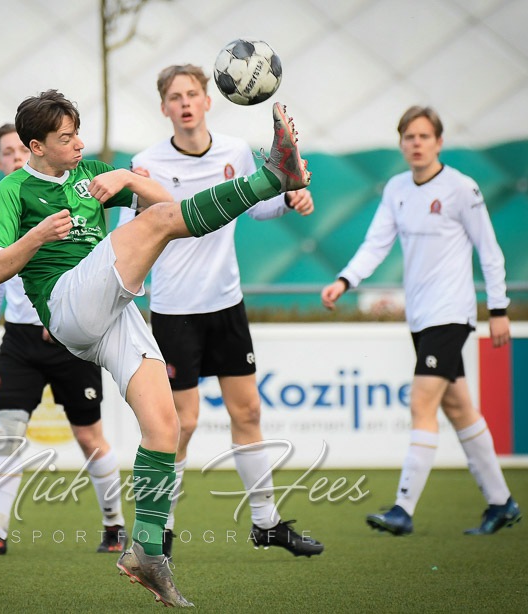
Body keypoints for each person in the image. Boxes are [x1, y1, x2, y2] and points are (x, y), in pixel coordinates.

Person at [0, 89, 310, 607]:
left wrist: (129, 179)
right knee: (155, 228)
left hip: (111, 309)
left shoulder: (90, 172)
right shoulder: (13, 189)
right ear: (35, 147)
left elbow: (168, 208)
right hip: (67, 303)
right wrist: (37, 236)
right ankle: (273, 177)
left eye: (77, 133)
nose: (79, 144)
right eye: (66, 138)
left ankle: (147, 552)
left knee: (165, 428)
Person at [117, 64, 324, 560]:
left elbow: (257, 205)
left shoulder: (235, 151)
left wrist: (290, 195)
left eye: (192, 94)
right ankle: (160, 532)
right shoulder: (145, 163)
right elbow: (126, 232)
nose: (185, 103)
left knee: (248, 412)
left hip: (226, 305)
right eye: (175, 97)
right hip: (174, 312)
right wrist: (140, 203)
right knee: (182, 423)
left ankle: (266, 524)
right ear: (164, 107)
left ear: (208, 100)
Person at [320, 105, 521, 537]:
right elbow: (376, 244)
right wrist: (345, 280)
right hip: (421, 316)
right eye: (409, 137)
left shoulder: (461, 188)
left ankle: (403, 508)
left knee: (421, 404)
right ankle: (501, 502)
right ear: (401, 143)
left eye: (424, 136)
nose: (416, 144)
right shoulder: (396, 188)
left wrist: (498, 309)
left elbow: (490, 251)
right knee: (458, 407)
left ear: (439, 142)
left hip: (452, 313)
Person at [0, 124, 128, 556]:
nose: (15, 158)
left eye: (20, 150)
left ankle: (115, 526)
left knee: (89, 436)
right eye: (7, 153)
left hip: (71, 336)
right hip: (20, 341)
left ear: (37, 151)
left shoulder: (72, 196)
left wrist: (67, 316)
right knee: (6, 433)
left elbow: (96, 255)